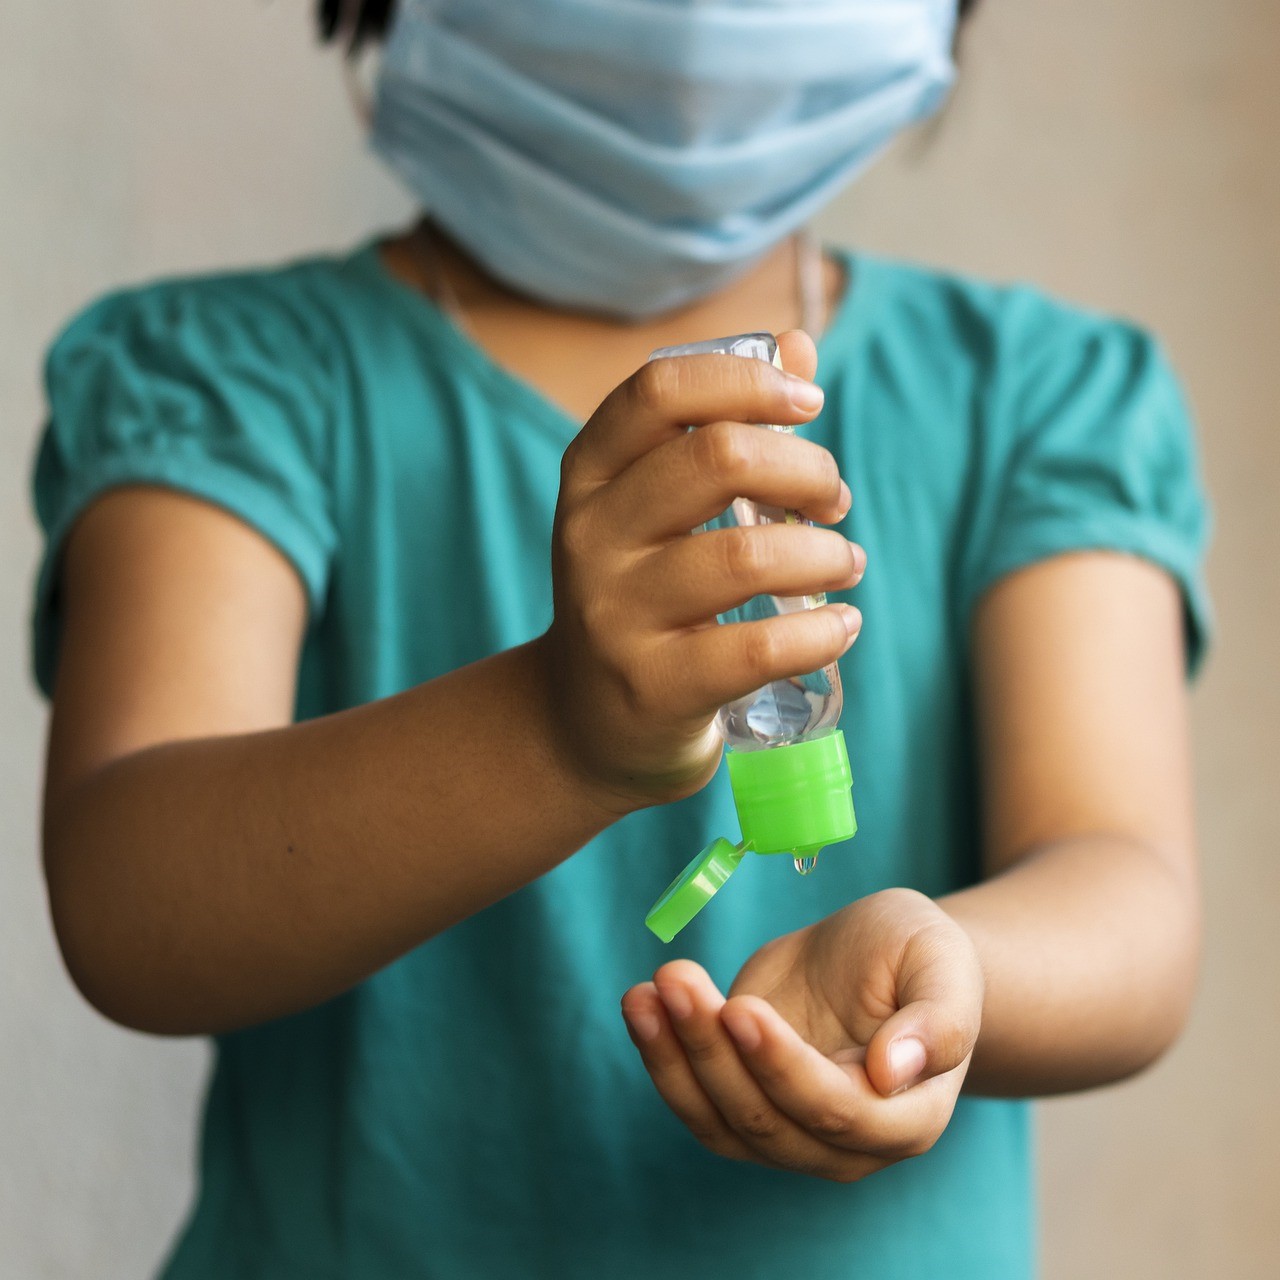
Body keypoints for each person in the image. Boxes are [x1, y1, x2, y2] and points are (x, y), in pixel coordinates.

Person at [31, 1, 1211, 1277]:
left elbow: (1128, 899)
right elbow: (129, 901)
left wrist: (955, 972)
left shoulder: (1036, 396)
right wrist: (554, 732)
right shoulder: (227, 382)